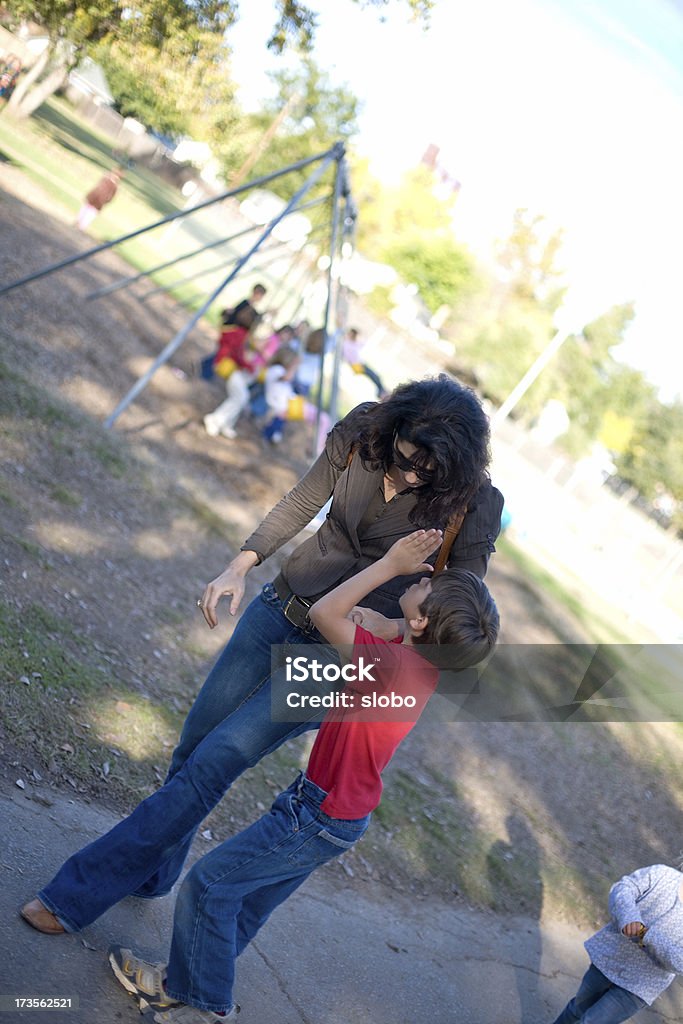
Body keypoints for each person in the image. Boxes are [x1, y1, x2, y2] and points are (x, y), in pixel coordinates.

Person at [20, 375, 503, 939]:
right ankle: (151, 874)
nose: (412, 473)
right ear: (395, 427)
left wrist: (394, 623)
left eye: (428, 471)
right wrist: (239, 565)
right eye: (406, 458)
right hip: (279, 607)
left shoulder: (474, 503)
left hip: (338, 655)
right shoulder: (364, 430)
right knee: (194, 749)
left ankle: (75, 895)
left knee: (220, 756)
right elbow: (303, 500)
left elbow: (458, 608)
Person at [105, 529, 499, 1022]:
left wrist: (390, 566)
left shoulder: (388, 665)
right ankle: (177, 985)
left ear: (419, 621)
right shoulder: (421, 668)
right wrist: (397, 622)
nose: (426, 578)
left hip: (316, 813)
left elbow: (322, 614)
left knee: (209, 884)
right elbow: (403, 635)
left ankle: (202, 1006)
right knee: (244, 903)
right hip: (337, 816)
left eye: (428, 586)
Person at [550, 863, 683, 1023]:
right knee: (576, 1009)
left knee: (591, 1021)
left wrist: (647, 935)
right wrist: (629, 916)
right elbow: (624, 888)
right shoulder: (662, 875)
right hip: (610, 959)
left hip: (640, 986)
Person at [202, 305, 260, 439]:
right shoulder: (242, 335)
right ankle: (215, 419)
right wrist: (248, 366)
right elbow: (237, 355)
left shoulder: (235, 330)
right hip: (231, 367)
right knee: (240, 397)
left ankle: (227, 423)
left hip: (225, 363)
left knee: (241, 397)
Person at [343, 327, 387, 398]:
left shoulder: (354, 343)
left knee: (376, 377)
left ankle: (381, 391)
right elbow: (347, 356)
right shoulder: (347, 343)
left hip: (359, 364)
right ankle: (381, 392)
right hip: (357, 365)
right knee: (374, 376)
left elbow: (363, 343)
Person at [76, 167, 124, 232]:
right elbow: (98, 185)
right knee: (85, 208)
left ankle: (82, 226)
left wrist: (105, 200)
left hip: (100, 201)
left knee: (91, 213)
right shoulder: (106, 178)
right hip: (94, 196)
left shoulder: (115, 186)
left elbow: (111, 197)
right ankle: (78, 221)